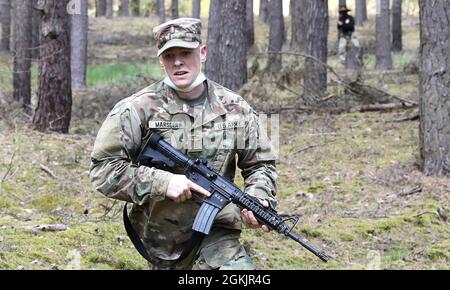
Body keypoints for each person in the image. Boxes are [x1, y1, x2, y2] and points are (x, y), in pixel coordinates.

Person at [89, 18, 278, 270]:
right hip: (159, 239)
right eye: (169, 55)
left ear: (202, 52)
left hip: (217, 234)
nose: (178, 62)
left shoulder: (236, 108)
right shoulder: (136, 109)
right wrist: (163, 182)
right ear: (160, 60)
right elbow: (103, 170)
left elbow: (261, 164)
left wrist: (258, 197)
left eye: (185, 53)